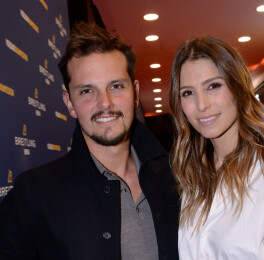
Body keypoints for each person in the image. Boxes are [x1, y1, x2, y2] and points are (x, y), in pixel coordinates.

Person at [0, 22, 179, 260]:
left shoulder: (177, 177)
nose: (104, 102)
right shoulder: (32, 195)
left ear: (135, 93)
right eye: (87, 91)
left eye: (116, 86)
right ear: (69, 102)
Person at [169, 36, 264, 259]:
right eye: (188, 93)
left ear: (237, 88)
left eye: (213, 86)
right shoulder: (194, 176)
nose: (202, 105)